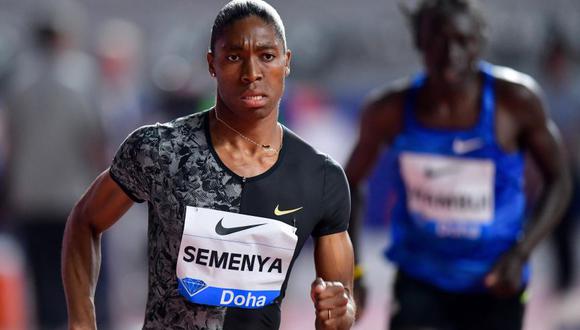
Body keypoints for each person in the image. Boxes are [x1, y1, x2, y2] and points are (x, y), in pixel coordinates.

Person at [62, 1, 356, 329]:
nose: (251, 73)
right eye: (233, 57)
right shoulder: (161, 149)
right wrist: (82, 320)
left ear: (286, 63)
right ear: (211, 64)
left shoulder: (321, 177)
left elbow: (341, 302)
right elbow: (85, 221)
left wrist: (341, 314)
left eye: (267, 56)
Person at [345, 0, 571, 329]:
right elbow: (348, 184)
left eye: (463, 41)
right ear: (420, 41)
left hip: (496, 278)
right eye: (439, 40)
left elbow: (559, 180)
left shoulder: (516, 101)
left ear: (480, 41)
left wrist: (522, 252)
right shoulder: (388, 110)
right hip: (419, 278)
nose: (451, 53)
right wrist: (353, 272)